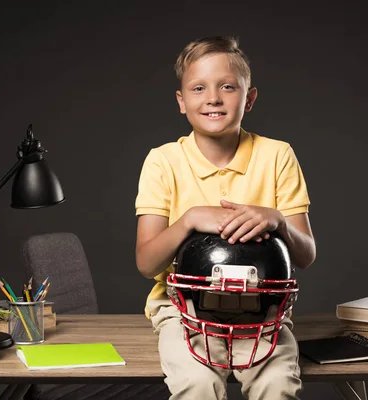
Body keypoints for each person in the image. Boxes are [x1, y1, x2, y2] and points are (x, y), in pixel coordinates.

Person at [134, 36, 316, 400]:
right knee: (197, 386)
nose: (213, 98)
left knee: (277, 386)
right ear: (181, 102)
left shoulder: (277, 156)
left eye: (228, 87)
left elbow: (306, 254)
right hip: (184, 309)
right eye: (199, 88)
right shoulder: (163, 161)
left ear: (249, 98)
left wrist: (278, 220)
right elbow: (145, 263)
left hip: (263, 311)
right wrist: (188, 220)